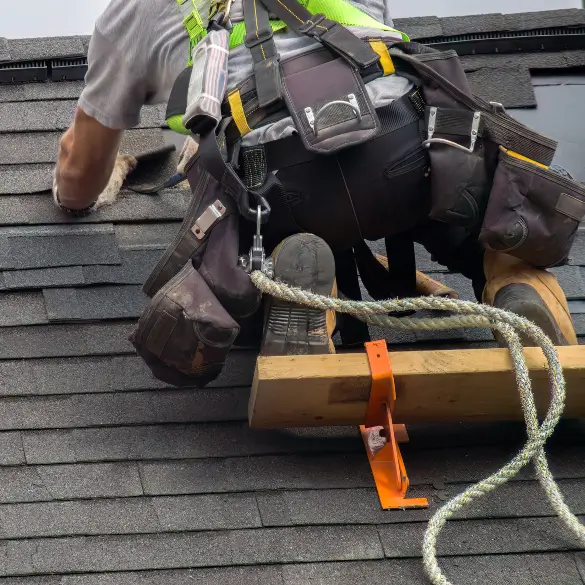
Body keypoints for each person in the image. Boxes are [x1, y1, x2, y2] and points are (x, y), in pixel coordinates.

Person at [53, 0, 578, 366]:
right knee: (450, 192)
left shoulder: (134, 12)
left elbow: (79, 180)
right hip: (407, 151)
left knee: (232, 182)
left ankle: (306, 290)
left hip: (282, 185)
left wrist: (77, 178)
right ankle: (515, 279)